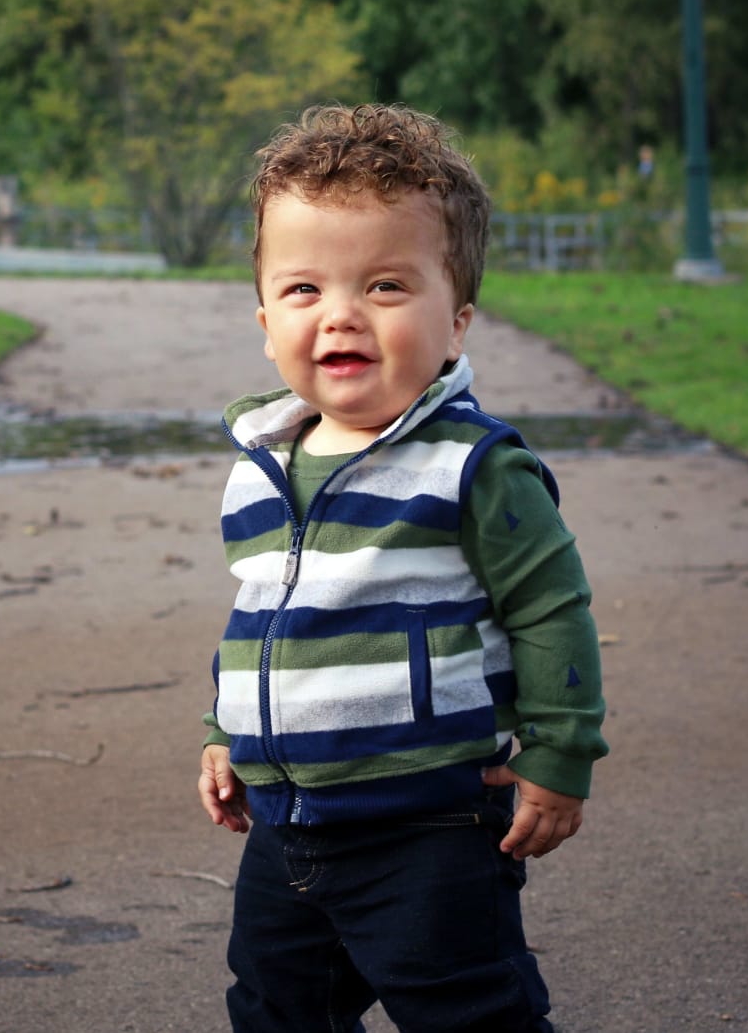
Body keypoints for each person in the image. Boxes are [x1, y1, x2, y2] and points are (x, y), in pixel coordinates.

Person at [197, 103, 609, 1033]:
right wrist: (223, 729)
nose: (340, 312)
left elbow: (552, 606)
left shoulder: (473, 465)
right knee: (271, 1009)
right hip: (285, 828)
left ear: (456, 321)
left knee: (471, 1011)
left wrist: (561, 750)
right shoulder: (262, 463)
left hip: (428, 828)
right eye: (304, 290)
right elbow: (261, 615)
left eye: (385, 286)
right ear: (265, 321)